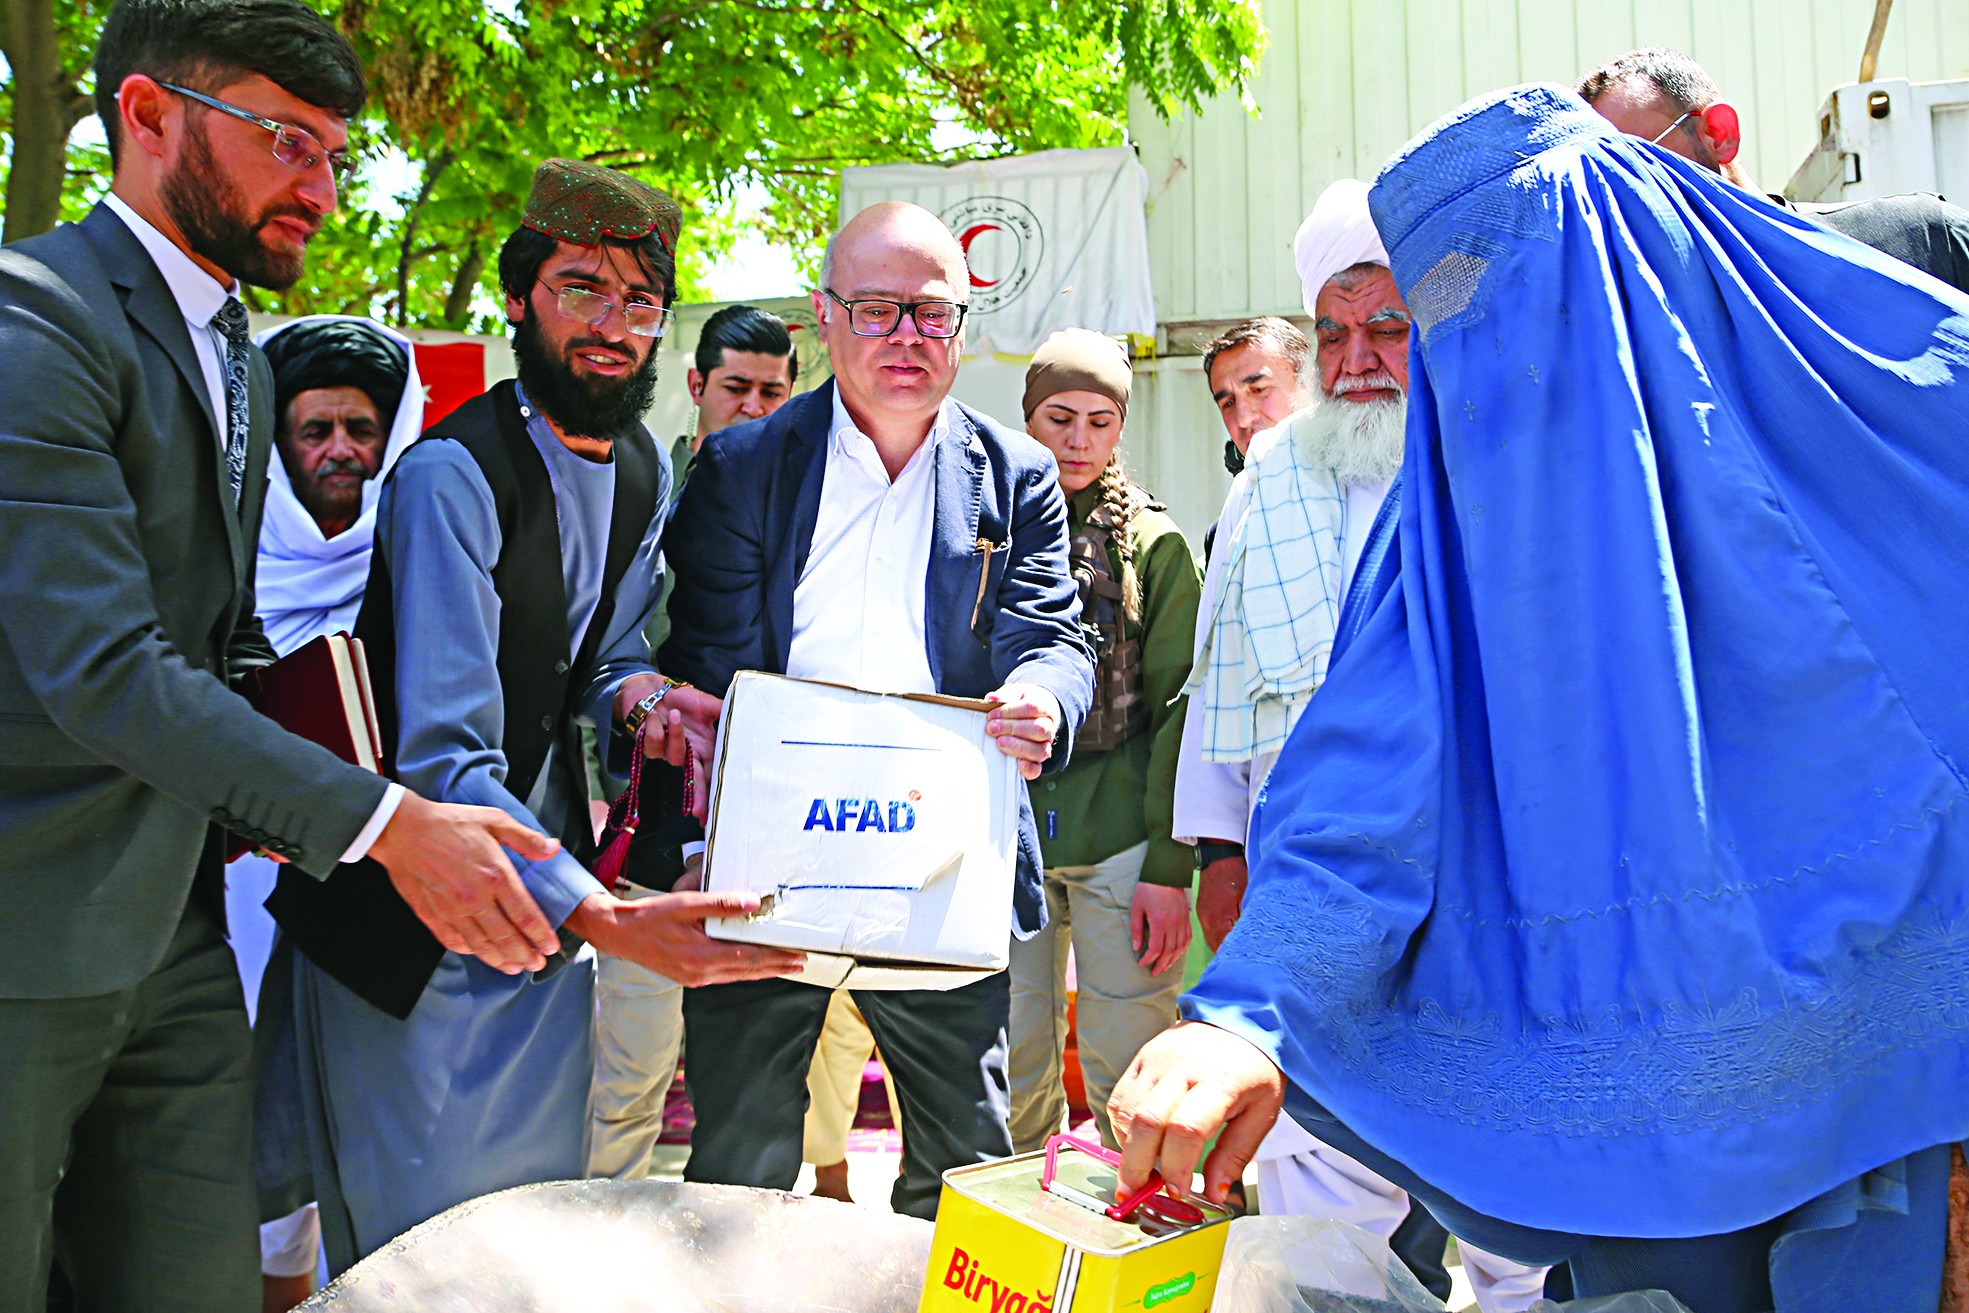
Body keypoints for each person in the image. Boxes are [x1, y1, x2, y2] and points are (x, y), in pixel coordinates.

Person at [1111, 84, 1969, 1313]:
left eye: (1507, 288)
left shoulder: (1846, 406)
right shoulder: (1462, 495)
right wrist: (1246, 1014)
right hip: (1624, 1092)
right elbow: (1364, 784)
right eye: (1445, 307)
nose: (1487, 340)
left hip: (1885, 1081)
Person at [0, 1, 568, 1305]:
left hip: (181, 936)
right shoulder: (34, 321)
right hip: (26, 936)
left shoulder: (243, 360)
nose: (318, 186)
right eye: (284, 141)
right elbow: (105, 667)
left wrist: (371, 766)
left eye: (333, 154)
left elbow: (217, 637)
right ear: (148, 115)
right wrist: (388, 823)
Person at [267, 158, 804, 1272]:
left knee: (523, 1244)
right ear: (520, 298)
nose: (611, 325)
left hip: (542, 917)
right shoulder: (451, 475)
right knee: (411, 1263)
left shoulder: (642, 465)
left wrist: (651, 698)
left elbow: (603, 656)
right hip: (410, 923)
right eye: (581, 289)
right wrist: (603, 915)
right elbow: (445, 757)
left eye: (639, 302)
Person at [660, 200, 1095, 1221]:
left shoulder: (1017, 475)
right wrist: (696, 843)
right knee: (737, 1165)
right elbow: (706, 668)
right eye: (876, 309)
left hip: (941, 866)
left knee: (962, 1170)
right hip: (766, 867)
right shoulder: (743, 467)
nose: (907, 335)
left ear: (961, 324)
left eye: (931, 312)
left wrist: (1041, 695)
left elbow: (1053, 635)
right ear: (825, 315)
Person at [1173, 179, 1548, 1313]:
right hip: (1307, 879)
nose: (1358, 359)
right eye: (1333, 335)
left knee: (1513, 1184)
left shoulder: (1505, 457)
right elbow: (1218, 670)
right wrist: (1217, 852)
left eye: (1386, 327)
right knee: (1317, 1189)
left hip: (1488, 879)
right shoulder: (1270, 476)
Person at [586, 302, 801, 1183]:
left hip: (770, 833)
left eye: (772, 392)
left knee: (756, 1090)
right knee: (628, 1069)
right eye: (736, 386)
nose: (753, 406)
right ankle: (601, 1233)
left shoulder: (815, 504)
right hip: (648, 814)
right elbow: (596, 651)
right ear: (696, 384)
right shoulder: (636, 490)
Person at [231, 314, 420, 1309]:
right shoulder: (223, 555)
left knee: (340, 1115)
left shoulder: (417, 552)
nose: (341, 449)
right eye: (315, 430)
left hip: (373, 885)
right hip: (232, 884)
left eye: (361, 429)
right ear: (276, 443)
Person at [1006, 328, 1202, 1154]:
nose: (1078, 440)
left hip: (1121, 839)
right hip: (1004, 836)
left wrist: (1168, 865)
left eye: (1099, 421)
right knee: (1008, 1065)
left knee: (1130, 1070)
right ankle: (1013, 1219)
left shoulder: (1155, 545)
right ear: (1027, 418)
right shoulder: (985, 531)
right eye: (1059, 418)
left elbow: (1180, 711)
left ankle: (1135, 1221)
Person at [1580, 47, 1969, 293]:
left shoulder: (1925, 242)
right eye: (1600, 180)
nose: (1619, 194)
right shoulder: (1661, 340)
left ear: (1719, 133)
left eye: (1634, 159)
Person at [1203, 317, 1315, 477]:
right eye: (1228, 403)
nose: (1244, 419)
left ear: (1309, 383)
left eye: (1259, 389)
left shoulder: (1351, 478)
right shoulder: (1242, 489)